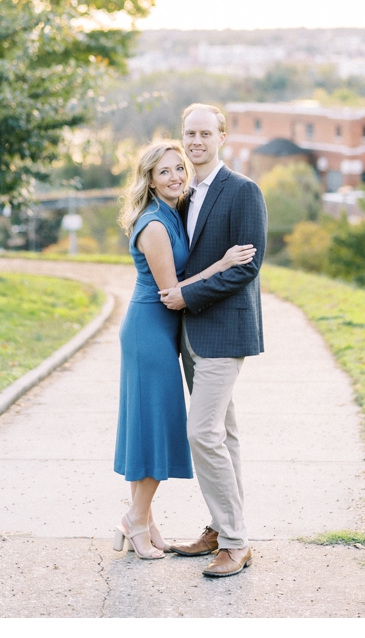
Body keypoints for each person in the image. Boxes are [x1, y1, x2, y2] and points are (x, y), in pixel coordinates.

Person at [113, 140, 255, 559]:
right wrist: (224, 263)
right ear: (150, 180)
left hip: (164, 333)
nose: (176, 176)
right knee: (158, 430)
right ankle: (135, 520)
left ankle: (143, 519)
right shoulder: (155, 225)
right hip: (149, 332)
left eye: (180, 168)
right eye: (165, 172)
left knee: (149, 426)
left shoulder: (173, 212)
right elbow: (170, 290)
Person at [158, 103, 268, 578]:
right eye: (189, 134)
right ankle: (221, 528)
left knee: (201, 432)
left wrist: (186, 297)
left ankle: (237, 543)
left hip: (225, 331)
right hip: (191, 337)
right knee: (223, 434)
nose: (196, 141)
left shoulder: (243, 191)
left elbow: (247, 266)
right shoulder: (184, 195)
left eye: (205, 133)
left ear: (222, 136)